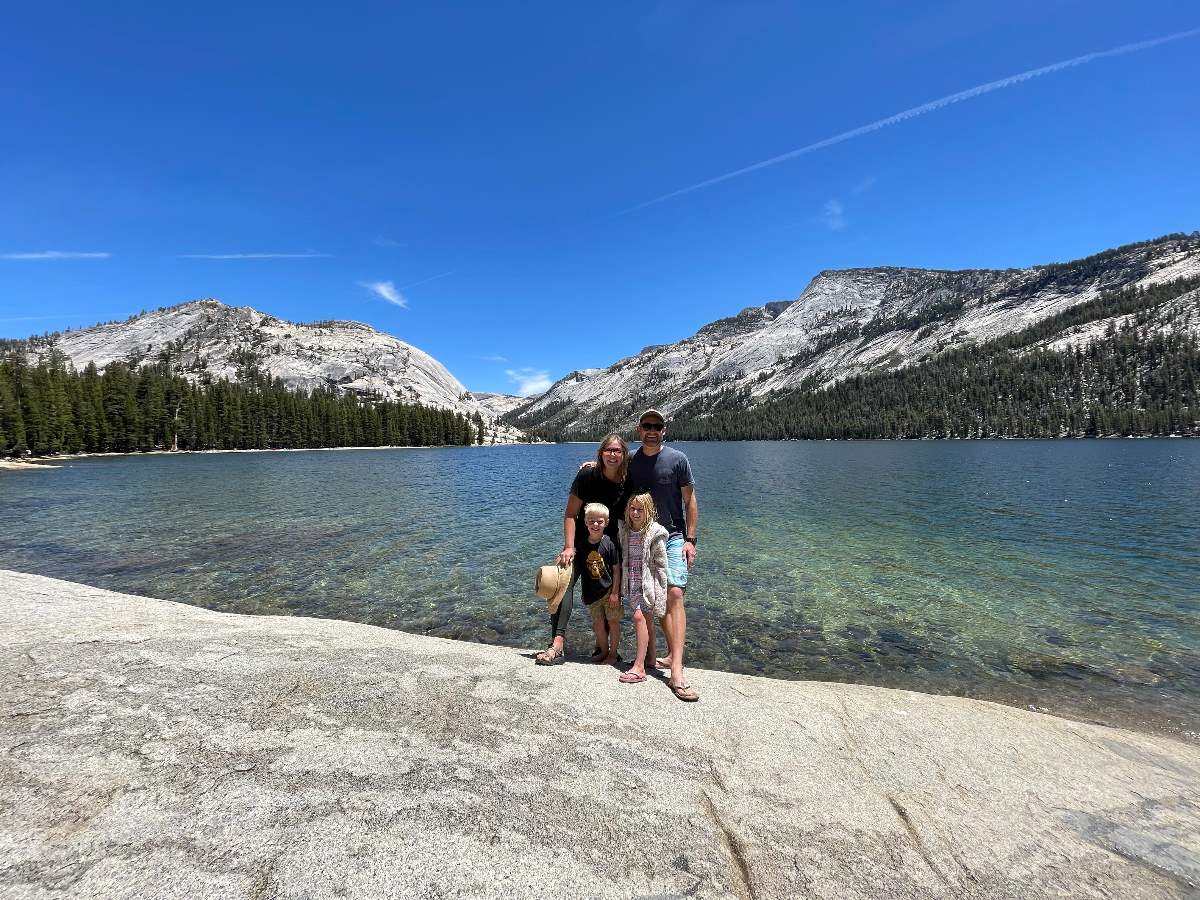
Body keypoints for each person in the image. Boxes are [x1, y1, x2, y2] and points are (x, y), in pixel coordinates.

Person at [535, 433, 631, 665]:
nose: (613, 454)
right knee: (562, 583)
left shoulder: (628, 480)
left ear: (624, 455)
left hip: (608, 548)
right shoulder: (587, 475)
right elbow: (570, 514)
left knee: (607, 594)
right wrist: (569, 547)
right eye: (608, 450)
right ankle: (557, 643)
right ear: (601, 453)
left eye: (617, 451)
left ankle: (606, 648)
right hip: (579, 543)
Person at [627, 409, 699, 701]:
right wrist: (592, 463)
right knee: (653, 598)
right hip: (643, 537)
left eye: (657, 426)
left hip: (673, 537)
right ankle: (662, 655)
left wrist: (691, 539)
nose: (652, 430)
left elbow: (690, 500)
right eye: (647, 426)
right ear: (639, 429)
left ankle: (677, 672)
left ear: (664, 430)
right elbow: (611, 469)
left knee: (675, 594)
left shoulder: (678, 459)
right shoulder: (632, 461)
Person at [617, 492, 668, 684]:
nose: (635, 513)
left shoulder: (656, 533)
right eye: (632, 509)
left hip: (648, 586)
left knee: (639, 617)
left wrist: (659, 591)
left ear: (649, 511)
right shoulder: (626, 531)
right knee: (646, 621)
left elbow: (662, 566)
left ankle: (639, 668)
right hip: (632, 583)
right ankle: (651, 659)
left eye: (640, 509)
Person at [577, 503, 622, 665]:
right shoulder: (582, 545)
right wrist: (583, 593)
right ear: (585, 522)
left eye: (599, 521)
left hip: (610, 592)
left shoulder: (609, 543)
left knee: (613, 622)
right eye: (591, 521)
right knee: (597, 624)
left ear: (606, 523)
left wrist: (615, 592)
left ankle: (614, 653)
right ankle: (604, 651)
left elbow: (616, 570)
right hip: (592, 594)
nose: (595, 524)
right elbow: (583, 573)